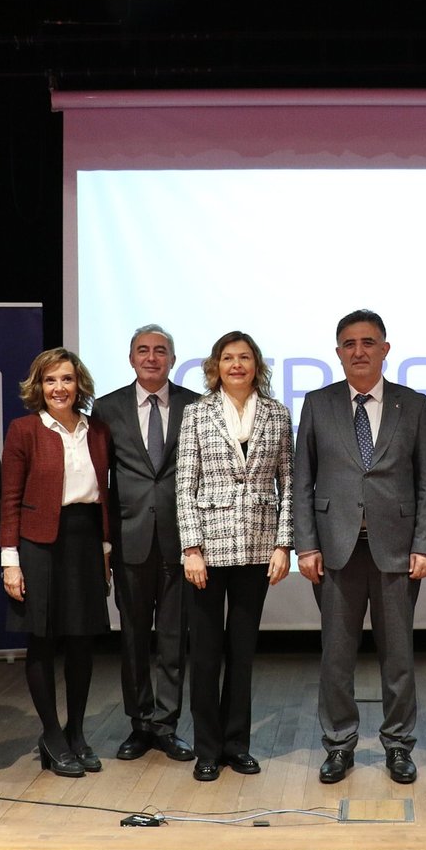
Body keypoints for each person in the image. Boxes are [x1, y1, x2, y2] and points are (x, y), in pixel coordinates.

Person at [293, 309, 426, 785]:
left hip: (397, 550)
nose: (359, 351)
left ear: (385, 349)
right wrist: (305, 546)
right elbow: (302, 480)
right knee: (336, 657)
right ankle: (339, 744)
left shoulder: (412, 404)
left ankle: (398, 744)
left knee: (398, 656)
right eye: (350, 344)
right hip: (335, 550)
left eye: (368, 342)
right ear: (338, 352)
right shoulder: (317, 403)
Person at [175, 331, 295, 782]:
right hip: (207, 550)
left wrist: (284, 544)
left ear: (256, 365)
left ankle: (236, 745)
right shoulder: (196, 413)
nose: (237, 364)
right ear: (216, 366)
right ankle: (207, 749)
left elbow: (289, 483)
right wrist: (191, 548)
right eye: (228, 358)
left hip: (259, 548)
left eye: (245, 357)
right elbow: (184, 486)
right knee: (206, 655)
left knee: (242, 654)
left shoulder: (277, 413)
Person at [0, 348, 114, 778]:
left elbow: (105, 494)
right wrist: (10, 561)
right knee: (43, 640)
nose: (59, 388)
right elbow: (10, 499)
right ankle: (51, 734)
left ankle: (76, 733)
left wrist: (106, 552)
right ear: (39, 386)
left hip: (86, 541)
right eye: (50, 380)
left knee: (82, 641)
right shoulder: (24, 430)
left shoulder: (97, 430)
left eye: (66, 379)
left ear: (78, 383)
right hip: (39, 544)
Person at [92, 325, 199, 762]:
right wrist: (103, 544)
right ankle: (139, 724)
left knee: (173, 638)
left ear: (173, 359)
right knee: (133, 639)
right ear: (131, 358)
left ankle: (166, 724)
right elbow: (100, 480)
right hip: (129, 538)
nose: (151, 358)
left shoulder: (195, 405)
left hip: (182, 539)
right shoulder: (107, 407)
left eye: (160, 351)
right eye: (143, 350)